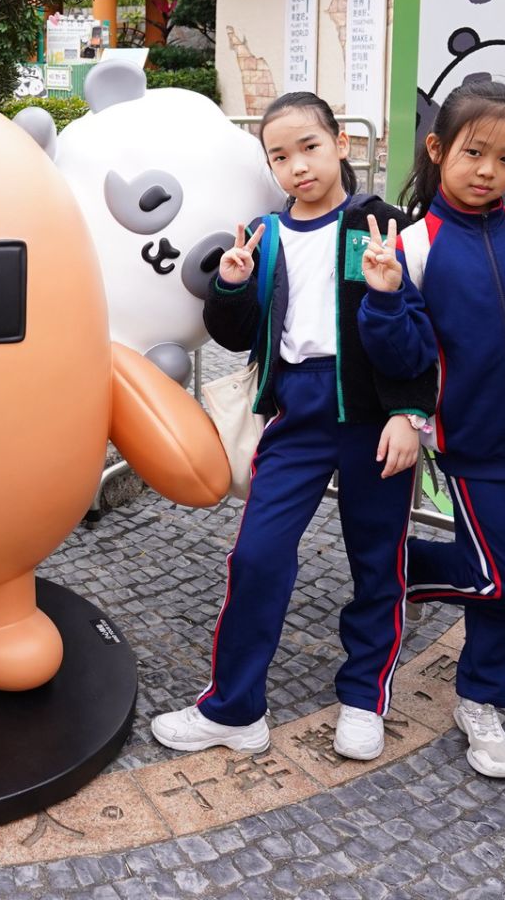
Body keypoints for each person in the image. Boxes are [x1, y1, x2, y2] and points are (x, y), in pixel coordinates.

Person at [151, 90, 434, 762]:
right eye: (280, 155)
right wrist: (231, 283)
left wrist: (408, 412)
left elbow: (420, 338)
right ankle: (235, 709)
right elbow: (236, 330)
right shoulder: (266, 234)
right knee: (256, 556)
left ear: (341, 143)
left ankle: (364, 696)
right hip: (296, 412)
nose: (297, 166)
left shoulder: (376, 224)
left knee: (376, 562)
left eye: (309, 146)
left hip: (372, 416)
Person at [355, 78, 505, 780]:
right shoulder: (416, 245)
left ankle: (480, 698)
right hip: (470, 449)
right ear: (438, 149)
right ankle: (396, 569)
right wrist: (384, 296)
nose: (489, 171)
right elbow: (403, 357)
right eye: (474, 152)